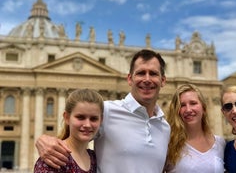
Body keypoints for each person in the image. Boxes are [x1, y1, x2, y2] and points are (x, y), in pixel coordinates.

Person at [35, 49, 171, 173]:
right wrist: (43, 140)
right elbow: (73, 133)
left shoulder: (165, 127)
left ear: (163, 80)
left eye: (153, 74)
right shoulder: (106, 111)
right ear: (130, 79)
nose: (147, 79)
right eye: (141, 73)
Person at [34, 88, 104, 172]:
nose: (87, 125)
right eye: (80, 117)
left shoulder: (94, 158)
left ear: (101, 120)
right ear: (67, 117)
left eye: (93, 119)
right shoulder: (54, 158)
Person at [164, 83, 225, 173]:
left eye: (193, 103)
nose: (188, 110)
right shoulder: (169, 144)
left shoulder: (220, 143)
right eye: (182, 105)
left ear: (204, 108)